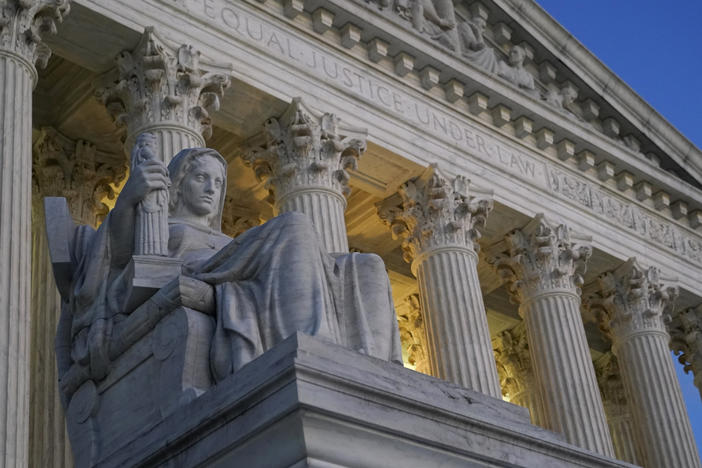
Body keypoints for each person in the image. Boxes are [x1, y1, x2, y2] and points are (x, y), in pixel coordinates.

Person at [63, 141, 402, 385]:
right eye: (201, 178)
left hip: (240, 274)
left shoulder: (229, 241)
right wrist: (127, 200)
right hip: (198, 273)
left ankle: (373, 372)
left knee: (368, 266)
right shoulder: (155, 223)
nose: (212, 188)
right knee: (294, 225)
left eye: (218, 182)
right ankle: (318, 351)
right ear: (178, 184)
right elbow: (117, 260)